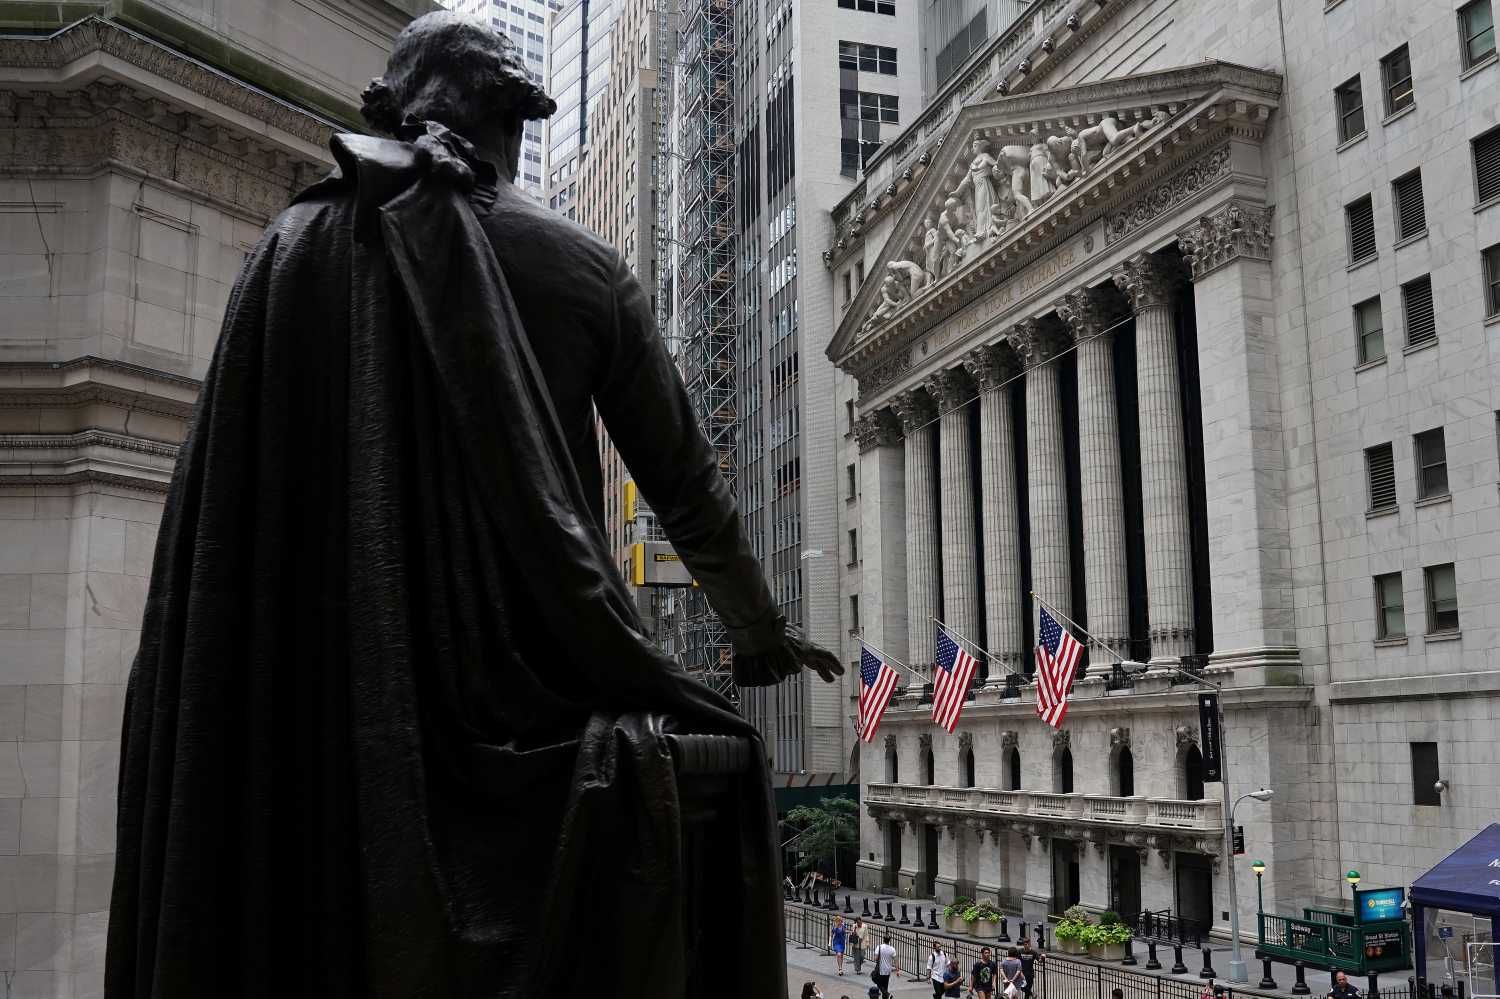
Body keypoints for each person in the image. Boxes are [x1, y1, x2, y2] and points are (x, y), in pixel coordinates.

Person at [102, 11, 845, 999]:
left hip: (325, 711)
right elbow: (687, 488)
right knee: (730, 754)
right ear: (516, 122)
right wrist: (757, 633)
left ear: (396, 109)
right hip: (539, 691)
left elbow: (225, 534)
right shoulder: (584, 267)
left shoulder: (292, 247)